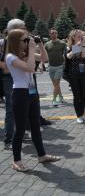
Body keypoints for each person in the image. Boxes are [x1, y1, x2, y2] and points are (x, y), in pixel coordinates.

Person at [6, 29, 60, 172]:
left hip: (32, 92)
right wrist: (30, 49)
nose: (27, 42)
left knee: (36, 125)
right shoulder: (10, 57)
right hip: (20, 93)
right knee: (20, 128)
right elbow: (30, 68)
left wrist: (40, 44)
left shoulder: (25, 53)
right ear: (15, 41)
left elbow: (44, 59)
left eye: (27, 39)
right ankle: (16, 161)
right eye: (24, 40)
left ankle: (42, 155)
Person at [66, 30, 85, 123]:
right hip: (73, 74)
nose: (80, 38)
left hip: (83, 74)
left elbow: (83, 56)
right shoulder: (69, 47)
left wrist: (82, 45)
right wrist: (77, 46)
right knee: (77, 95)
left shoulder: (83, 46)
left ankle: (82, 114)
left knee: (83, 95)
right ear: (73, 37)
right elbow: (68, 56)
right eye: (78, 37)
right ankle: (78, 115)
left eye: (81, 36)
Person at [44, 28, 67, 106]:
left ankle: (54, 99)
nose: (54, 34)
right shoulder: (47, 44)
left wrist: (65, 63)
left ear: (57, 34)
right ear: (50, 35)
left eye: (55, 33)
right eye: (52, 33)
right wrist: (42, 65)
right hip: (50, 66)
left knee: (56, 84)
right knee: (56, 85)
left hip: (59, 66)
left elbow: (67, 52)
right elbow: (43, 54)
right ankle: (61, 97)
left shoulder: (62, 43)